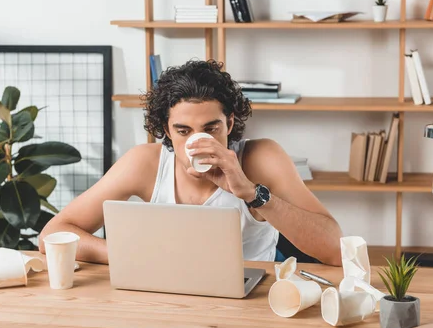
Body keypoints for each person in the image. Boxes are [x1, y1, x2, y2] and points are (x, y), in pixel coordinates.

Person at [39, 59, 342, 266]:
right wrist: (132, 256)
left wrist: (251, 193)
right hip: (170, 294)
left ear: (230, 121)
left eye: (211, 129)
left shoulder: (262, 158)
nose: (198, 142)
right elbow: (53, 234)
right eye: (183, 131)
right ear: (167, 129)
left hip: (253, 297)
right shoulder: (145, 163)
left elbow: (337, 250)